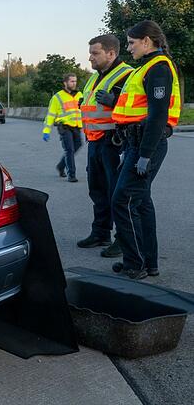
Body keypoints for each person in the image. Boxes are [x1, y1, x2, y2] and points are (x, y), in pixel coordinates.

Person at [110, 20, 181, 279]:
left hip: (145, 145)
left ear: (146, 41)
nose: (128, 48)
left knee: (123, 201)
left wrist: (144, 155)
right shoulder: (147, 67)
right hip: (136, 143)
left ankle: (135, 263)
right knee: (140, 203)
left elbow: (158, 116)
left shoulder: (159, 68)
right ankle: (149, 262)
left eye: (131, 42)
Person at [76, 35, 134, 257]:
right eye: (90, 52)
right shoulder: (95, 77)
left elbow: (137, 106)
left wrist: (115, 101)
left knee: (116, 193)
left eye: (95, 53)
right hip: (95, 141)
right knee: (98, 190)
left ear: (111, 53)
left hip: (115, 141)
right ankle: (100, 232)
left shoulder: (127, 75)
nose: (90, 57)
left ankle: (123, 240)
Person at [42, 73, 84, 182]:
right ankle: (72, 175)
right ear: (65, 83)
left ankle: (61, 166)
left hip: (76, 126)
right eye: (72, 81)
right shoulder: (57, 97)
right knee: (69, 150)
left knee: (78, 145)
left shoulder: (80, 95)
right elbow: (50, 115)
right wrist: (46, 131)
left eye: (75, 81)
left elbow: (84, 111)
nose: (74, 83)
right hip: (64, 127)